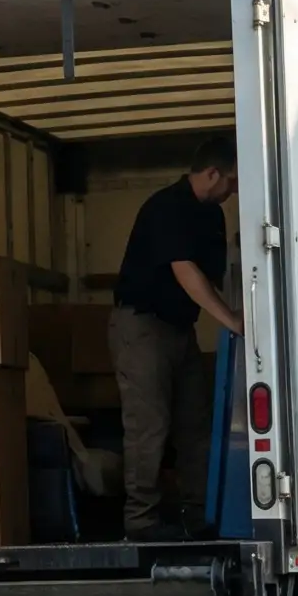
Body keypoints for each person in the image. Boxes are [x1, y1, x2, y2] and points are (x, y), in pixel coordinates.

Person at [109, 141, 244, 542]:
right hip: (142, 327)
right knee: (149, 426)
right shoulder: (166, 206)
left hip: (178, 330)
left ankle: (199, 514)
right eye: (232, 181)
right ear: (213, 174)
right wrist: (232, 322)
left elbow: (220, 276)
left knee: (195, 424)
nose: (234, 190)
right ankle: (141, 521)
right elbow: (185, 271)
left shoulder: (212, 217)